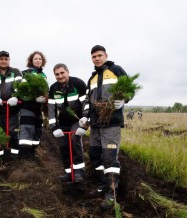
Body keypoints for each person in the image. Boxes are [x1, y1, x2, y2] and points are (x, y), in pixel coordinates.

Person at [79, 45, 129, 210]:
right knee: (94, 155)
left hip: (111, 123)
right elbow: (87, 99)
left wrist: (124, 100)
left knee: (109, 158)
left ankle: (111, 194)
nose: (97, 58)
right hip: (95, 124)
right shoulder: (92, 78)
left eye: (100, 55)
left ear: (106, 55)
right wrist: (85, 116)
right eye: (94, 57)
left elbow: (128, 88)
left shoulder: (116, 70)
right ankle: (103, 184)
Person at [48, 63, 87, 183]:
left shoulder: (78, 84)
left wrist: (85, 121)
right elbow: (51, 108)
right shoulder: (53, 88)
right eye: (57, 74)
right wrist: (54, 127)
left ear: (67, 72)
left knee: (75, 139)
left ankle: (79, 172)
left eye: (62, 73)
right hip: (63, 122)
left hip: (77, 120)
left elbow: (86, 103)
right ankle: (68, 173)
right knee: (63, 146)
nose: (60, 76)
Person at [18, 51, 48, 160]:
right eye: (35, 59)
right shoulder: (27, 73)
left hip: (37, 108)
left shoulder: (43, 75)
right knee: (27, 130)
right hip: (27, 107)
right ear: (31, 61)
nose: (38, 60)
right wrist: (34, 98)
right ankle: (24, 157)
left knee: (38, 130)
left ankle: (31, 152)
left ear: (42, 61)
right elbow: (22, 91)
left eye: (40, 58)